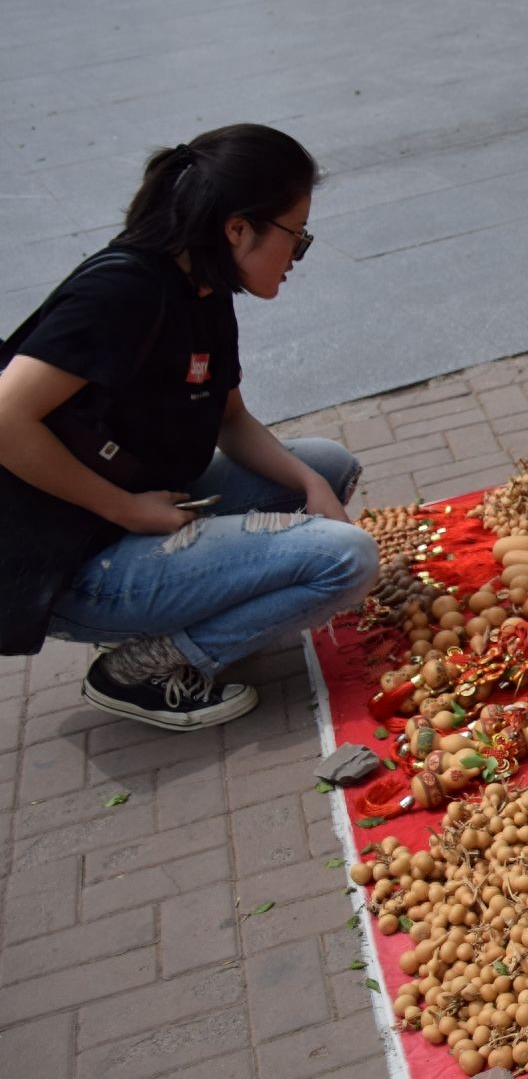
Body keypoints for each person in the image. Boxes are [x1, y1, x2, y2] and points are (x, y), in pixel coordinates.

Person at [0, 126, 379, 731]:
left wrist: (311, 485)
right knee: (346, 561)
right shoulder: (122, 291)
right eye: (296, 236)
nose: (298, 254)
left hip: (139, 511)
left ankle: (180, 609)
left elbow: (229, 418)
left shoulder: (204, 285)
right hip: (71, 561)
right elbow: (4, 417)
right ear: (237, 228)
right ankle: (141, 668)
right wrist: (126, 509)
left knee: (328, 465)